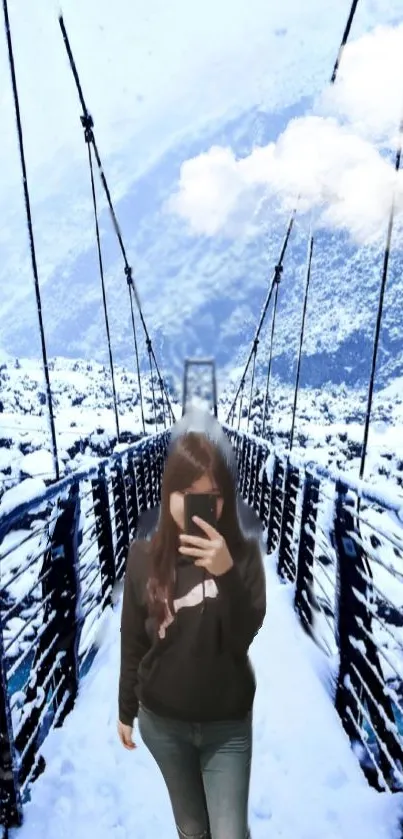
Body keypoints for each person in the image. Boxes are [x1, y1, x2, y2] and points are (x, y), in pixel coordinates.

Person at [117, 410, 266, 839]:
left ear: (227, 499)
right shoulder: (143, 559)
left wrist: (224, 574)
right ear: (168, 496)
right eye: (188, 493)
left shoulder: (244, 558)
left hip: (226, 723)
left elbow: (242, 637)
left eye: (213, 496)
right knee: (191, 828)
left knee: (230, 833)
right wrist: (126, 709)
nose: (203, 506)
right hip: (163, 723)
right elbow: (133, 641)